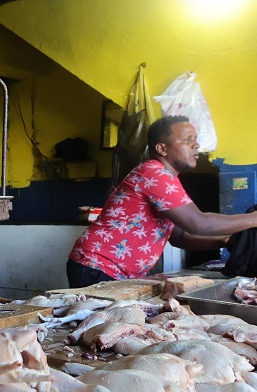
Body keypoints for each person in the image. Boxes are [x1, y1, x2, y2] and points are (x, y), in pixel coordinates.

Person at [67, 115, 257, 288]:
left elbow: (179, 236)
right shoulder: (154, 173)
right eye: (187, 139)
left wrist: (226, 241)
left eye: (195, 139)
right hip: (98, 266)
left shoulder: (165, 177)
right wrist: (253, 219)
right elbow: (198, 223)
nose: (196, 145)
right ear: (162, 148)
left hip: (108, 269)